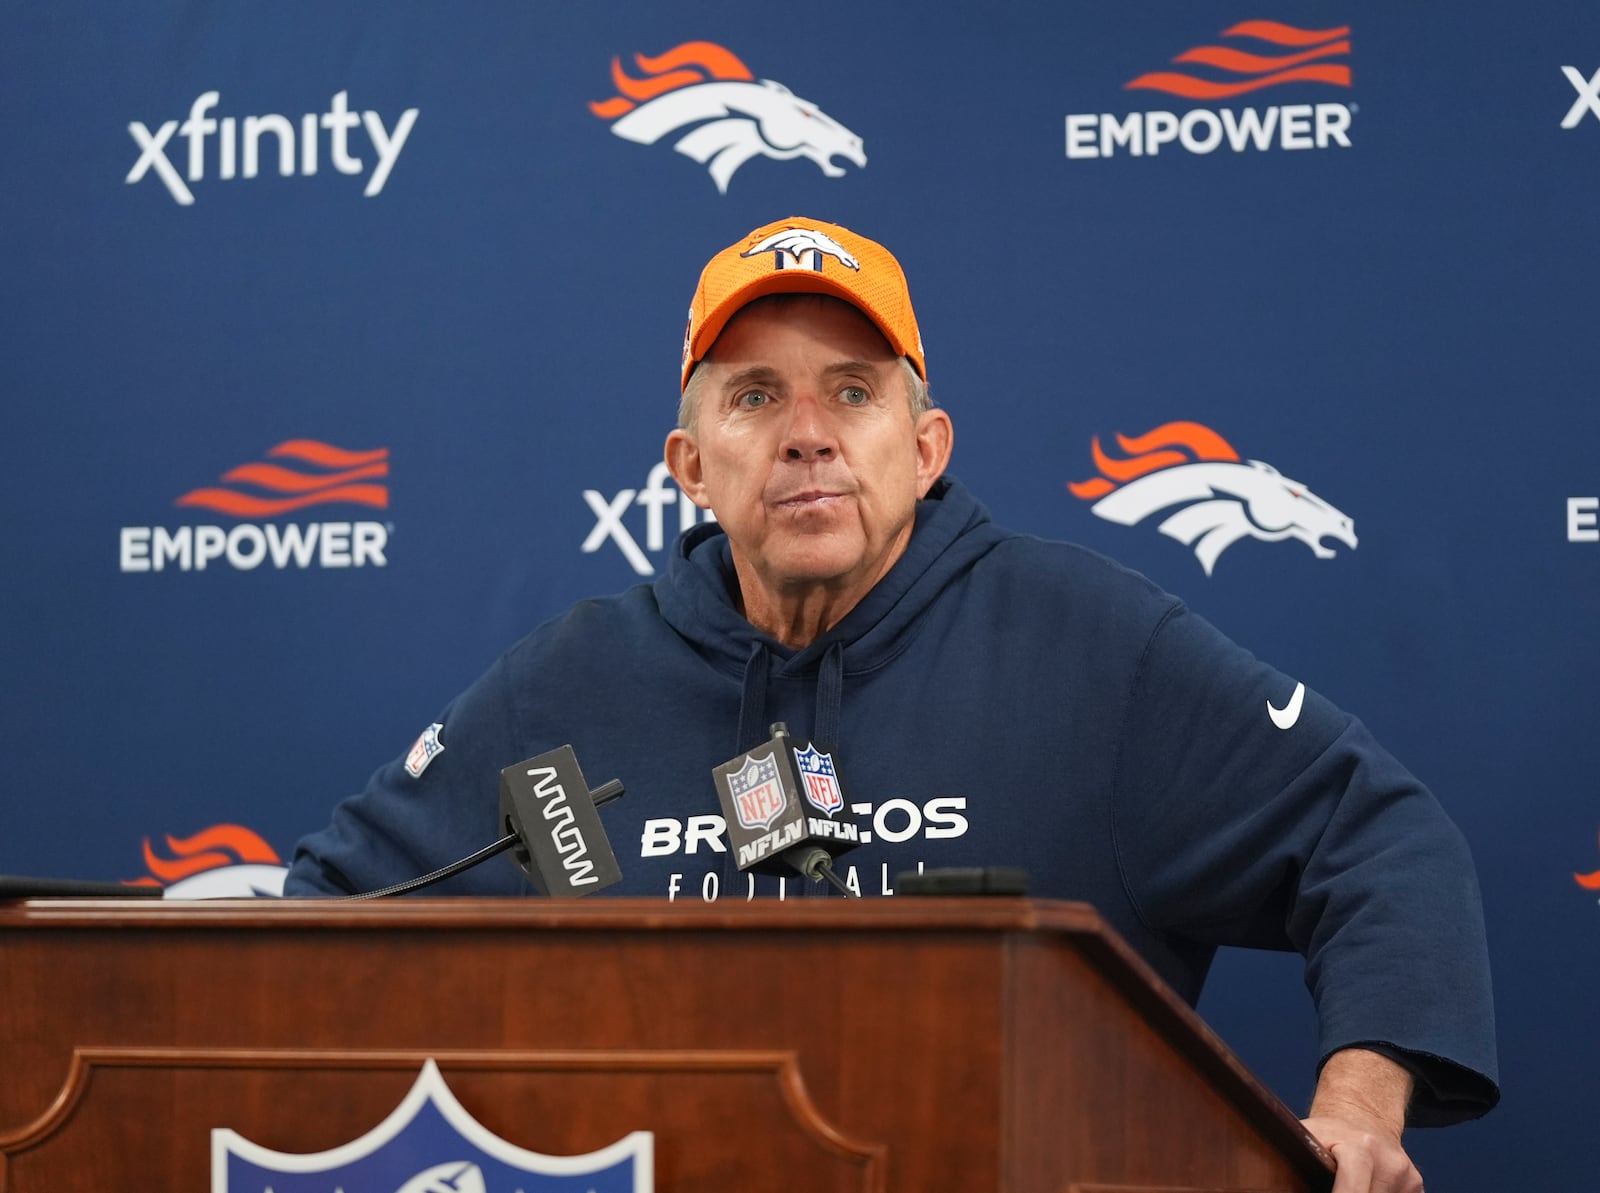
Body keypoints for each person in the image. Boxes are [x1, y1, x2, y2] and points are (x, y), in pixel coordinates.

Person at [286, 216, 1497, 1192]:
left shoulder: (1088, 646)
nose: (807, 435)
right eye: (756, 396)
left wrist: (1356, 1103)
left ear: (923, 447)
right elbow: (320, 930)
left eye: (852, 392)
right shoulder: (565, 683)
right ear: (688, 463)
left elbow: (1379, 839)